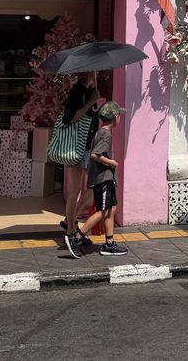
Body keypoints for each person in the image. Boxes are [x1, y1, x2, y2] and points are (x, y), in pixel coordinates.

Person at [66, 101, 128, 257]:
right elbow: (95, 155)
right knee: (103, 211)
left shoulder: (100, 132)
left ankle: (109, 243)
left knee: (111, 209)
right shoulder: (106, 135)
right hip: (104, 178)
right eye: (119, 115)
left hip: (104, 178)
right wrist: (112, 163)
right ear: (115, 117)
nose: (120, 118)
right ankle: (77, 238)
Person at [59, 70, 100, 247]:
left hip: (87, 147)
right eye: (93, 68)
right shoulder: (77, 91)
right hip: (76, 147)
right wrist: (91, 101)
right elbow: (69, 118)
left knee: (91, 188)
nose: (96, 71)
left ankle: (70, 220)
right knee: (75, 191)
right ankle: (70, 231)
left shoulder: (89, 90)